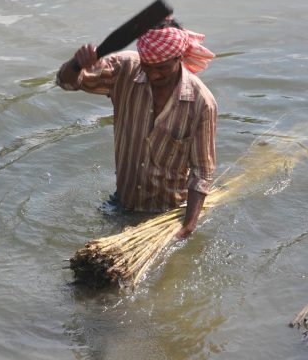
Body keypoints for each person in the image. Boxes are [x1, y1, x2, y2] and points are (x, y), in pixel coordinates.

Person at [56, 18, 217, 239]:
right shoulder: (124, 70)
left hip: (167, 212)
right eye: (147, 67)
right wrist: (77, 63)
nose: (153, 75)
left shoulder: (201, 103)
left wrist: (188, 226)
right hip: (123, 202)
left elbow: (202, 170)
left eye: (161, 68)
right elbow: (67, 82)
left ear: (179, 58)